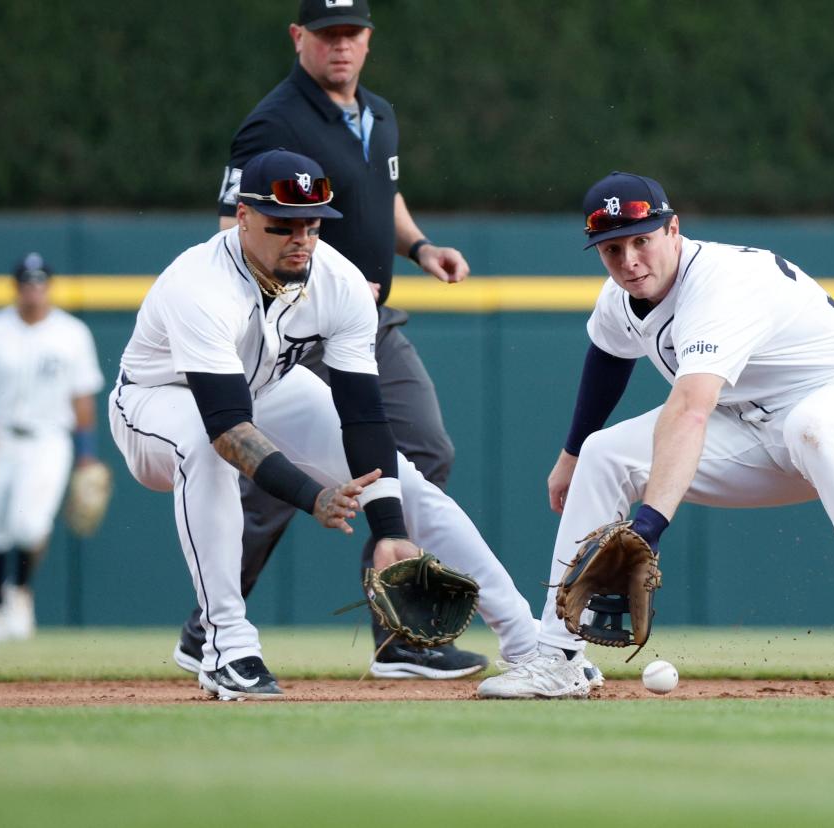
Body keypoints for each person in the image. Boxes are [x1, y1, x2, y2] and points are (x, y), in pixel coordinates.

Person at [478, 172, 834, 699]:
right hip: (752, 427)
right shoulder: (621, 295)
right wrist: (570, 454)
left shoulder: (720, 283)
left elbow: (689, 412)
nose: (630, 260)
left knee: (812, 427)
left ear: (673, 229)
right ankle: (557, 658)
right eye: (612, 248)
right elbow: (608, 358)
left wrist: (646, 529)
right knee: (603, 454)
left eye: (642, 240)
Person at [109, 148, 544, 700]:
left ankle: (530, 643)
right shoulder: (200, 285)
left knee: (406, 482)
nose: (301, 238)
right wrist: (312, 494)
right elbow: (226, 429)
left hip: (265, 387)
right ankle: (225, 644)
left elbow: (362, 414)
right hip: (157, 402)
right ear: (242, 217)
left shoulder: (339, 281)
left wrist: (388, 530)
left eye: (312, 225)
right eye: (282, 225)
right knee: (204, 445)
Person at [183, 0, 486, 680]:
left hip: (372, 323)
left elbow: (386, 197)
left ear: (369, 40)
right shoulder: (274, 121)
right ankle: (210, 627)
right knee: (272, 485)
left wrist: (420, 247)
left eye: (352, 34)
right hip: (299, 324)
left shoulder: (378, 112)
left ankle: (398, 633)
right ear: (299, 39)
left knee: (423, 449)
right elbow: (236, 225)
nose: (340, 46)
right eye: (327, 35)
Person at [0, 253, 104, 641]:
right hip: (0, 436)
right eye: (27, 283)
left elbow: (83, 397)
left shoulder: (72, 333)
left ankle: (20, 592)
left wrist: (87, 451)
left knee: (29, 526)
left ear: (49, 286)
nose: (33, 290)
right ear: (17, 287)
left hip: (49, 439)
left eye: (40, 283)